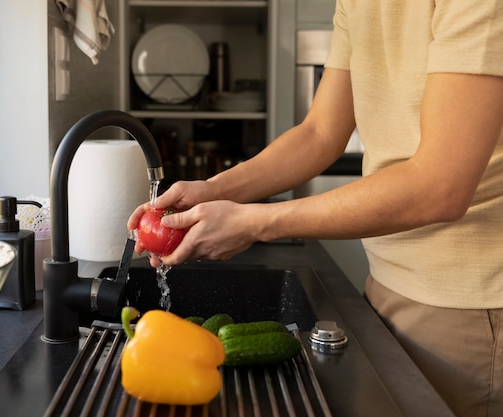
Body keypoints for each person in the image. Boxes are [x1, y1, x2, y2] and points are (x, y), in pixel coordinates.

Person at [128, 2, 503, 416]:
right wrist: (215, 190)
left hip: (470, 305)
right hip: (386, 284)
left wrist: (258, 222)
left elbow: (440, 185)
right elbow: (320, 132)